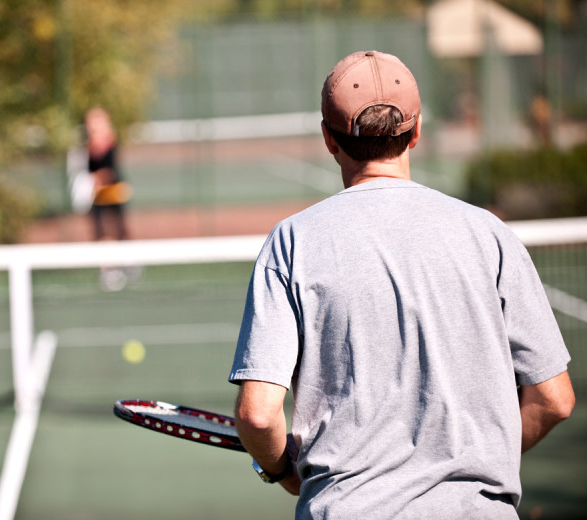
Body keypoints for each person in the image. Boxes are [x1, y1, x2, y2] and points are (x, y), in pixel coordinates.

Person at [228, 50, 574, 519]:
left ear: (329, 139)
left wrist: (282, 470)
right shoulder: (489, 234)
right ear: (416, 133)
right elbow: (553, 400)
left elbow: (258, 414)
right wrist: (481, 462)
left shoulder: (293, 242)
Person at [84, 106, 130, 242]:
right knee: (100, 228)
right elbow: (90, 168)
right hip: (98, 190)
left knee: (119, 226)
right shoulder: (88, 145)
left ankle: (128, 258)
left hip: (113, 188)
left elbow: (111, 168)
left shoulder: (111, 141)